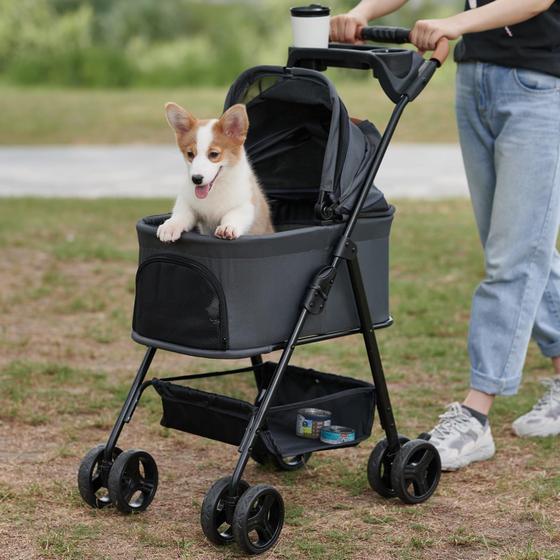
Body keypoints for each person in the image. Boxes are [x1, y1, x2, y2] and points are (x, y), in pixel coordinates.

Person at [331, 0, 560, 470]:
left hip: (541, 86)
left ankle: (476, 416)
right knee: (520, 244)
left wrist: (452, 24)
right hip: (474, 80)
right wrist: (363, 11)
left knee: (513, 255)